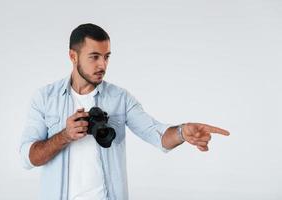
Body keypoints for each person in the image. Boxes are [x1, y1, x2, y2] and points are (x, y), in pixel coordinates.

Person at [19, 23, 230, 200]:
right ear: (73, 56)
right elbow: (28, 158)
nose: (103, 64)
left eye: (107, 56)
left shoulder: (120, 98)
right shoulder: (45, 98)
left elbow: (157, 135)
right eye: (94, 57)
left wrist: (184, 132)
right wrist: (64, 135)